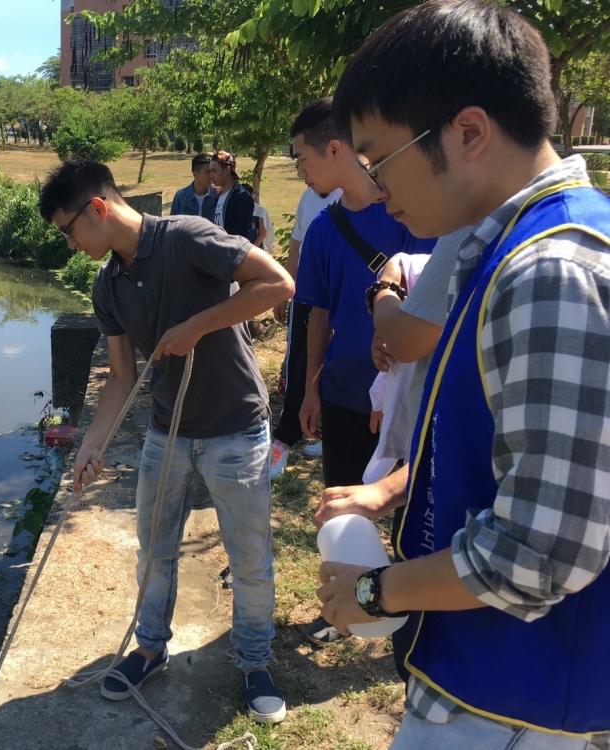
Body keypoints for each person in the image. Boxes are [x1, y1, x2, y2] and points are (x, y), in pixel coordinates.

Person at [316, 2, 610, 747]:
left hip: (515, 699)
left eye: (377, 157)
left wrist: (375, 591)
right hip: (490, 680)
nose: (375, 185)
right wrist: (392, 491)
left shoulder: (549, 272)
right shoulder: (509, 251)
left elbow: (539, 552)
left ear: (469, 132)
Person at [38, 158, 295, 723]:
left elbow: (278, 283)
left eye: (68, 229)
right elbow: (122, 380)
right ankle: (150, 647)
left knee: (249, 557)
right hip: (167, 433)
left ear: (98, 208)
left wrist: (198, 324)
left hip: (235, 427)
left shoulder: (188, 236)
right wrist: (90, 444)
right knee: (153, 550)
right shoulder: (107, 284)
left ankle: (254, 663)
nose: (69, 243)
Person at [289, 97, 435, 646]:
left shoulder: (409, 214)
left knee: (409, 503)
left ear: (334, 149)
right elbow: (316, 313)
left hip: (403, 396)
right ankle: (346, 607)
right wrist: (308, 388)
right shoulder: (326, 228)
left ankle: (409, 603)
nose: (299, 171)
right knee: (344, 503)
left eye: (302, 158)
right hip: (345, 388)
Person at [270, 184, 343, 472]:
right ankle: (290, 436)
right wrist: (285, 290)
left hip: (335, 296)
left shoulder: (349, 194)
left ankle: (287, 439)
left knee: (325, 365)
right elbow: (296, 244)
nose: (301, 173)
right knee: (298, 363)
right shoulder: (307, 196)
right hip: (305, 294)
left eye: (305, 162)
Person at [209, 151, 256, 240]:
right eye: (210, 172)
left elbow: (242, 234)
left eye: (214, 171)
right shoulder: (217, 197)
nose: (211, 176)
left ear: (227, 170)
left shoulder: (241, 196)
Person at [169, 152, 218, 220]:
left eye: (213, 171)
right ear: (195, 174)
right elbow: (172, 224)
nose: (211, 175)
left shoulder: (217, 195)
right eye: (207, 172)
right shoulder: (181, 196)